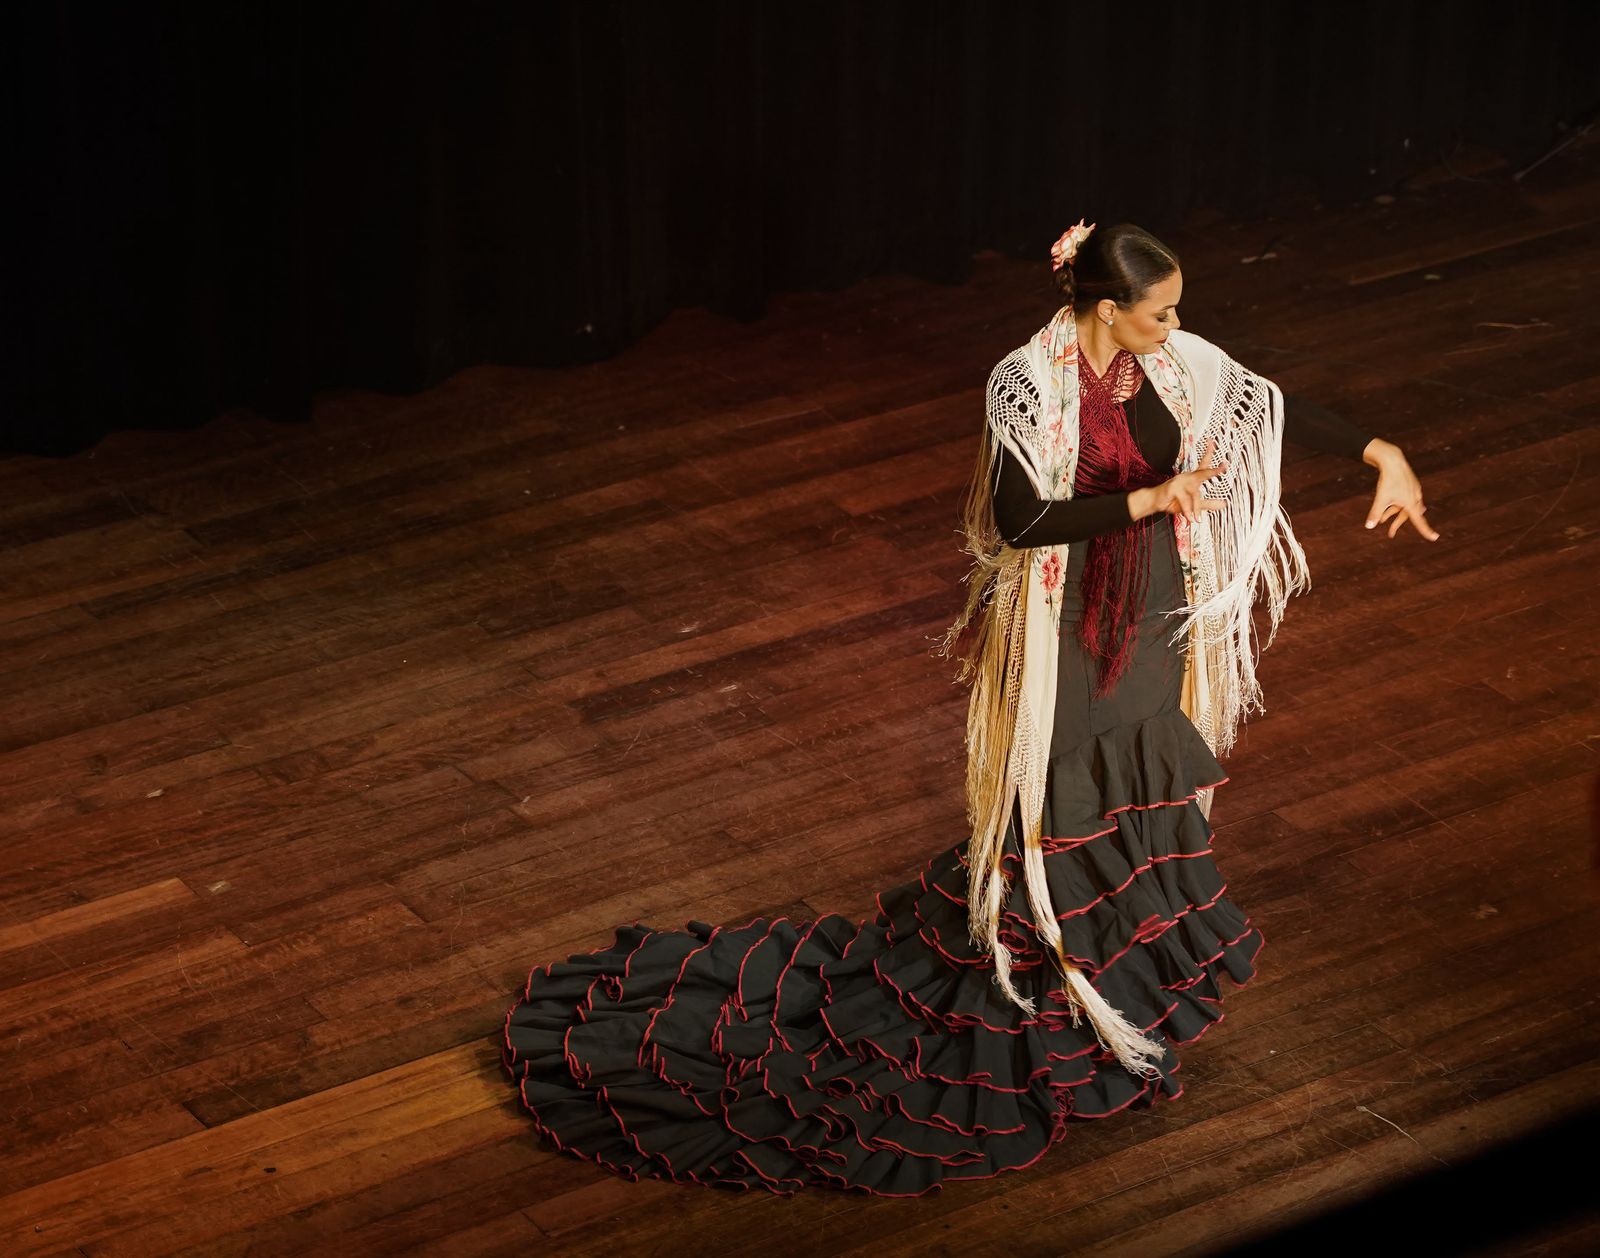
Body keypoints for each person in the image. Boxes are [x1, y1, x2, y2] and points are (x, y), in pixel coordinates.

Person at [500, 220, 1438, 1197]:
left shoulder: (1174, 363)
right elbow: (1022, 519)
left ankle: (1107, 997)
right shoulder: (1024, 385)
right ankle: (1044, 994)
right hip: (1068, 633)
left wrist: (1382, 450)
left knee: (1141, 799)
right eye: (1160, 312)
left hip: (1154, 618)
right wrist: (1153, 501)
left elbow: (1265, 404)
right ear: (1106, 307)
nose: (1176, 327)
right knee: (1063, 810)